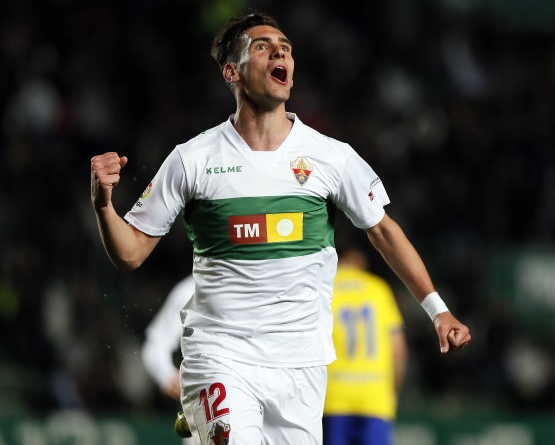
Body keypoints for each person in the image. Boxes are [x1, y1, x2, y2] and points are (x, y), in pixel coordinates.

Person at [90, 10, 471, 445]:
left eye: (285, 47)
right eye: (263, 46)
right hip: (221, 356)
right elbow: (130, 253)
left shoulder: (331, 157)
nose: (280, 52)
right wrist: (103, 205)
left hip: (301, 367)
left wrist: (437, 310)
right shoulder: (192, 159)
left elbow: (383, 231)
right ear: (231, 71)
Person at [323, 248, 408, 445]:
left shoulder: (326, 288)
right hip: (375, 397)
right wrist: (393, 392)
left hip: (333, 397)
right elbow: (398, 348)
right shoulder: (378, 289)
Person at [141, 274, 197, 445]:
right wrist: (167, 376)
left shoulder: (277, 276)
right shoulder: (192, 288)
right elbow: (156, 343)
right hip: (207, 406)